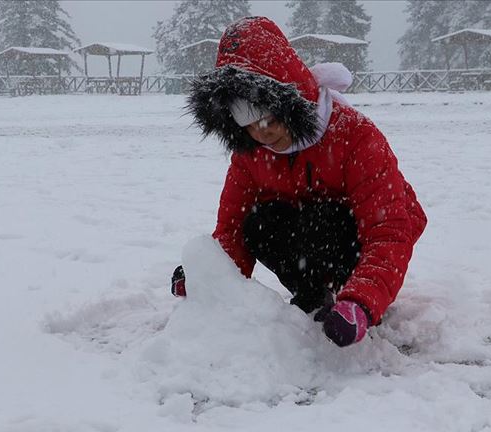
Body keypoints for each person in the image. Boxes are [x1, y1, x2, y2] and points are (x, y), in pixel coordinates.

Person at [171, 16, 427, 347]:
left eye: (269, 115)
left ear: (288, 102)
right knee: (259, 223)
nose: (261, 130)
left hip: (365, 232)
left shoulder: (355, 136)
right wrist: (207, 278)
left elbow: (388, 231)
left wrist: (362, 300)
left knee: (326, 219)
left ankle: (353, 297)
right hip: (307, 230)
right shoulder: (250, 155)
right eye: (245, 117)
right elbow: (232, 230)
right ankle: (313, 294)